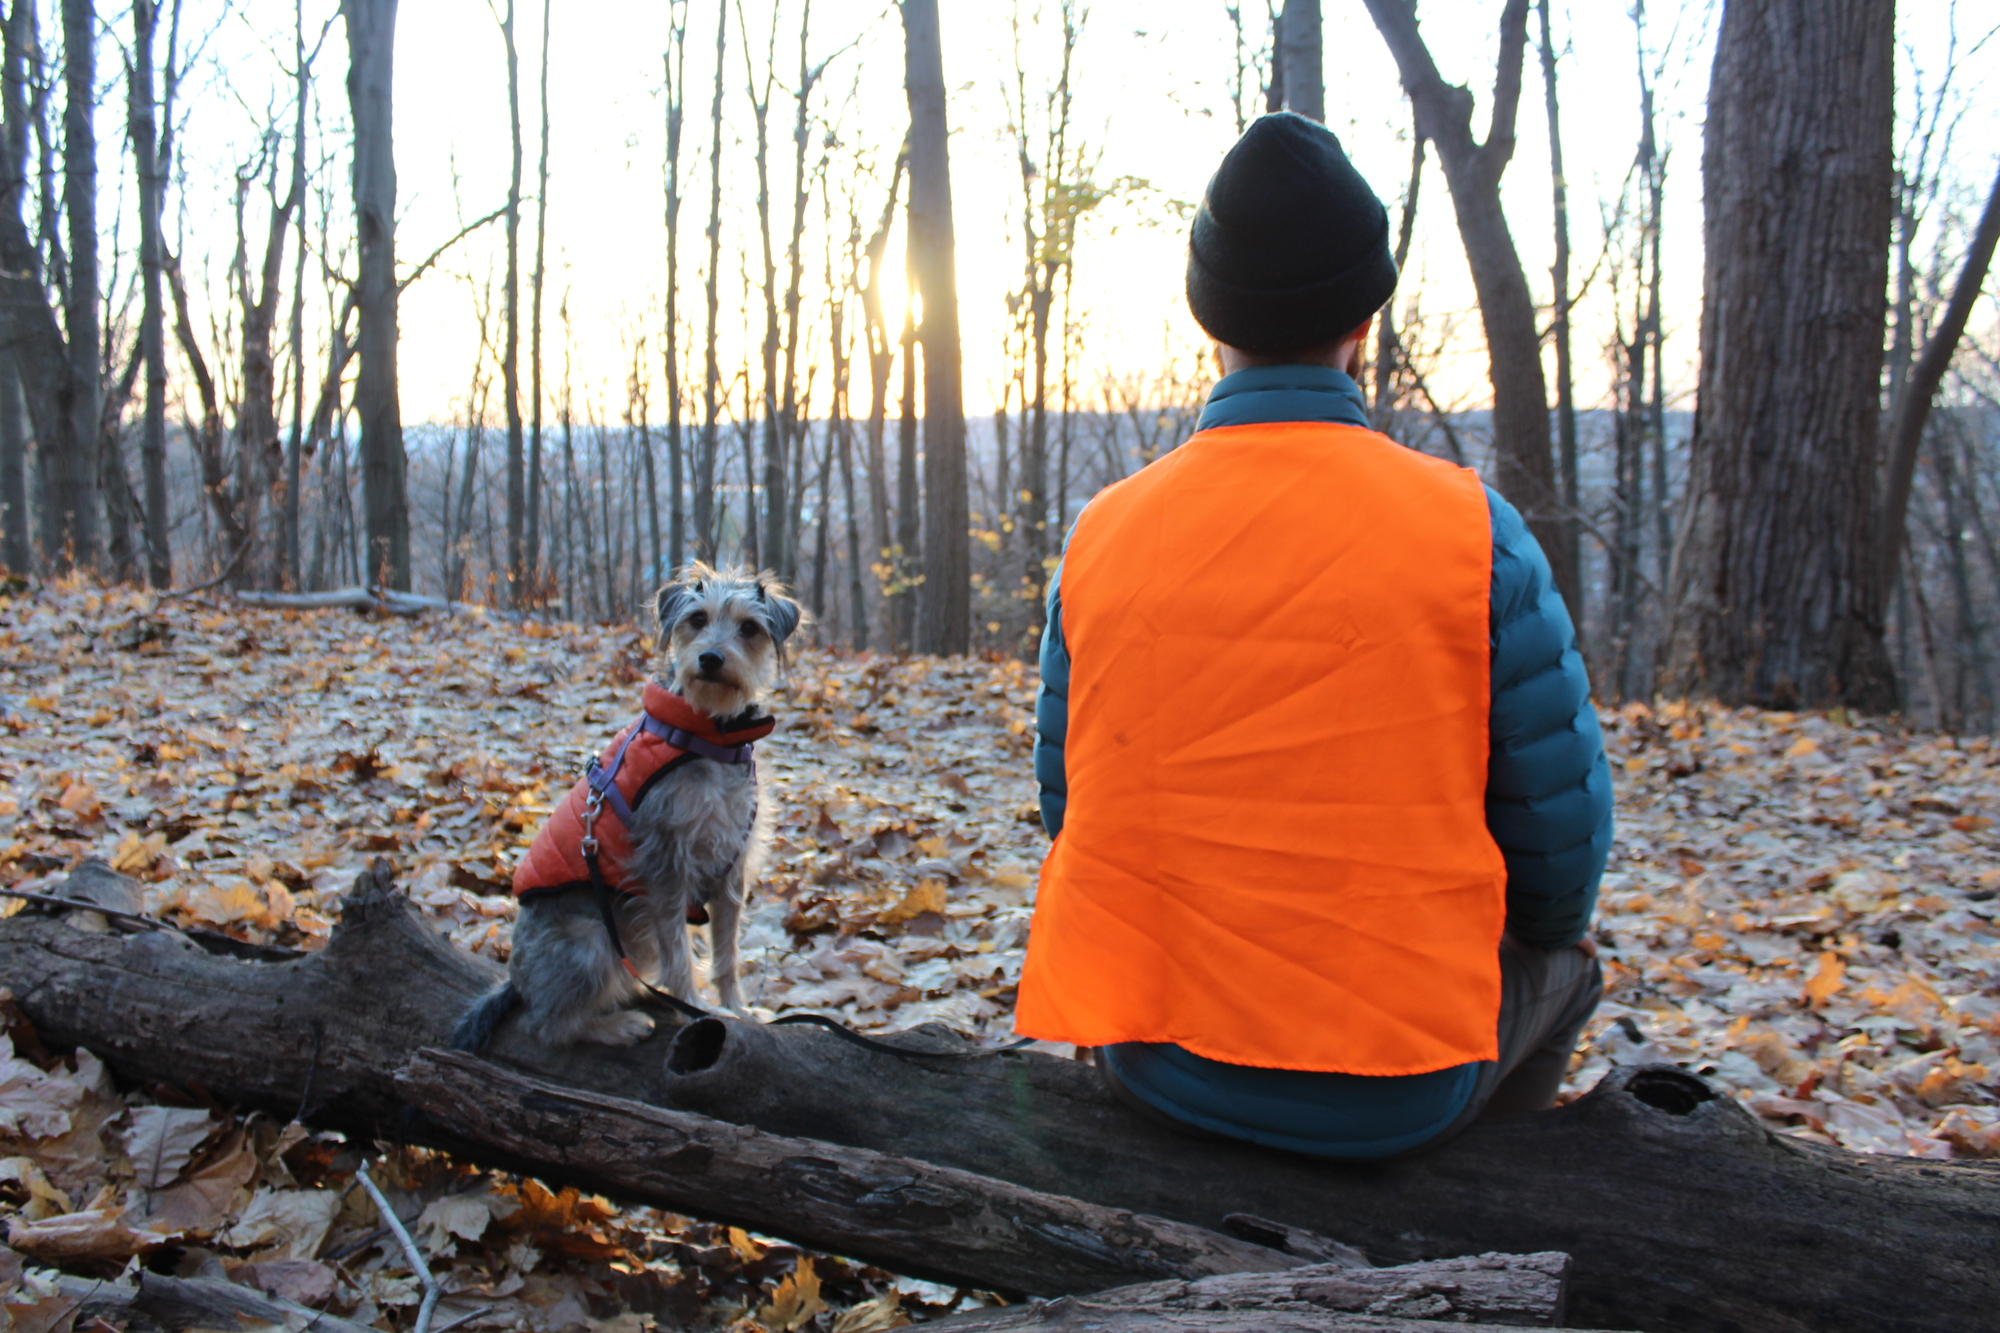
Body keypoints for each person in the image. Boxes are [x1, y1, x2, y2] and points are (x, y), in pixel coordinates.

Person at [1014, 113, 1613, 1161]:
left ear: (1211, 322)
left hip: (1148, 1056)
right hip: (1401, 1088)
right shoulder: (1474, 531)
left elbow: (1068, 804)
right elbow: (1560, 850)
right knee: (1569, 966)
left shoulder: (1103, 533)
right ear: (1360, 322)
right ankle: (1489, 1208)